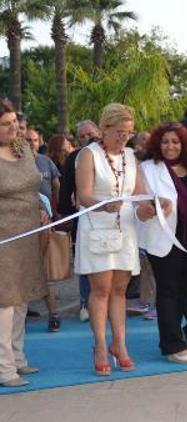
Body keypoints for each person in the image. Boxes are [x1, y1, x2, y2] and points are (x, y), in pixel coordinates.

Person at [75, 103, 164, 376]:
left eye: (128, 132)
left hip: (125, 229)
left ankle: (120, 344)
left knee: (120, 290)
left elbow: (139, 197)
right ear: (105, 128)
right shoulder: (88, 155)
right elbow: (84, 195)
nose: (124, 137)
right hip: (96, 228)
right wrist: (104, 204)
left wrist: (151, 208)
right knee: (100, 289)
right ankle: (100, 346)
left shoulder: (130, 157)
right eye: (119, 131)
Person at [139, 122, 187, 364]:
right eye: (165, 141)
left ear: (184, 144)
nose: (170, 146)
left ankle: (182, 335)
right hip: (164, 238)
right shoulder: (148, 168)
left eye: (175, 141)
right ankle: (172, 345)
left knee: (184, 290)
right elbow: (142, 199)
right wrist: (156, 204)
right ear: (157, 143)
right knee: (168, 291)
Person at [0, 100, 48, 387]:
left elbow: (35, 188)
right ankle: (4, 369)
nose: (13, 129)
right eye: (5, 124)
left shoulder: (25, 149)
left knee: (22, 300)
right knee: (5, 303)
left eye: (14, 123)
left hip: (29, 235)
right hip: (3, 239)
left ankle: (18, 358)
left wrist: (42, 209)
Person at [59, 119, 101, 323]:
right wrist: (66, 212)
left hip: (110, 218)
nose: (86, 139)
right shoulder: (74, 157)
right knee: (85, 263)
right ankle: (85, 302)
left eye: (90, 135)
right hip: (83, 218)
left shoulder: (111, 155)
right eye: (82, 136)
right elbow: (66, 189)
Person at [28, 129, 64, 331]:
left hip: (45, 222)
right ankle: (20, 315)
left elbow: (57, 185)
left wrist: (55, 211)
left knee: (47, 271)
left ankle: (54, 315)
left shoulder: (45, 161)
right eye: (27, 139)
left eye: (34, 140)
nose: (31, 143)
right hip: (19, 224)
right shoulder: (11, 162)